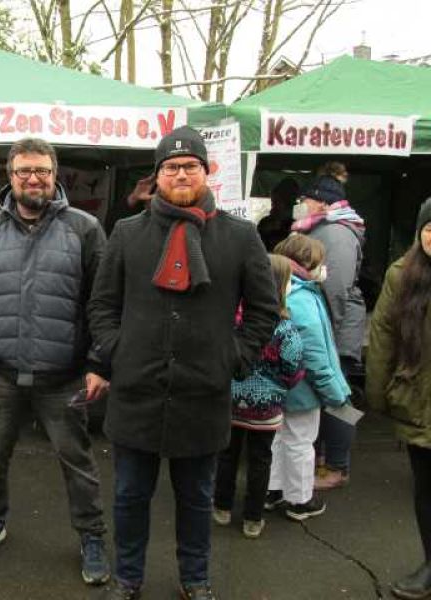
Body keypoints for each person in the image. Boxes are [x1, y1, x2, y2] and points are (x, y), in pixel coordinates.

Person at [88, 125, 279, 600]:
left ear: (206, 171)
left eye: (190, 166)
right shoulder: (128, 233)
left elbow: (264, 309)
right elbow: (102, 304)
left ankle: (195, 579)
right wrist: (117, 350)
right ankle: (127, 578)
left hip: (203, 394)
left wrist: (234, 357)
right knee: (130, 497)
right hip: (136, 393)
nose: (180, 174)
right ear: (156, 176)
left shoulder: (240, 236)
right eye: (171, 167)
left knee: (196, 500)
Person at [0, 137, 111, 586]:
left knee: (77, 462)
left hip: (64, 376)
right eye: (24, 171)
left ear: (54, 175)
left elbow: (103, 302)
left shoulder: (85, 229)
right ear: (10, 176)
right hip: (0, 373)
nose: (33, 179)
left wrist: (99, 363)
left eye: (42, 171)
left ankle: (92, 537)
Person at [213, 254, 304, 540]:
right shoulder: (285, 328)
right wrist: (279, 386)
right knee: (260, 459)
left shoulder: (232, 320)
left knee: (227, 454)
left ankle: (221, 507)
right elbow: (293, 368)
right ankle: (253, 518)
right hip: (266, 407)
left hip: (230, 401)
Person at [366, 197, 431, 600]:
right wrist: (379, 392)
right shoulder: (401, 275)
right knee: (426, 491)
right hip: (417, 399)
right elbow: (383, 335)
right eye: (429, 228)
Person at [266, 234, 350, 522]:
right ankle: (300, 500)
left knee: (278, 438)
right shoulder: (303, 298)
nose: (324, 267)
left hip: (277, 386)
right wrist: (335, 392)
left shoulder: (279, 288)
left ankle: (272, 490)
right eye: (320, 262)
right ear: (306, 262)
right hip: (302, 389)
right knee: (301, 443)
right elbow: (315, 355)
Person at [291, 175, 365, 490]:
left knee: (338, 399)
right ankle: (324, 461)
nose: (300, 205)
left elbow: (335, 289)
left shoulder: (337, 233)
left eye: (305, 199)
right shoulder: (322, 228)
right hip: (328, 327)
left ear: (321, 202)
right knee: (327, 397)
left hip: (337, 331)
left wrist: (326, 336)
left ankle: (337, 466)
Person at [257, 177, 299, 252]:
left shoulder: (298, 224)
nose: (273, 206)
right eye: (273, 202)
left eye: (276, 202)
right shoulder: (265, 223)